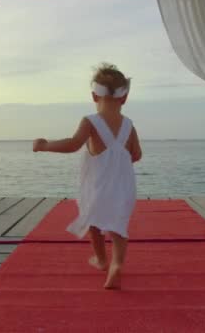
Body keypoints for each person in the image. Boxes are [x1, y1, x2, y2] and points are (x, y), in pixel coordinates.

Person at [33, 63, 142, 289]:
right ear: (125, 98)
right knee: (118, 225)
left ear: (94, 95)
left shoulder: (91, 121)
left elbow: (73, 145)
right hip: (124, 186)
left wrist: (45, 145)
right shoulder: (129, 125)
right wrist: (119, 161)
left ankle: (102, 260)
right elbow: (136, 154)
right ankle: (117, 264)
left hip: (98, 185)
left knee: (93, 221)